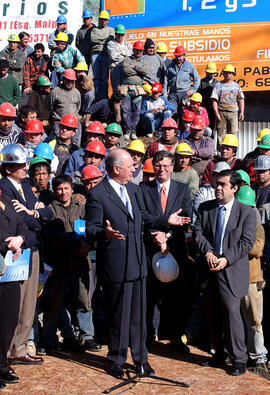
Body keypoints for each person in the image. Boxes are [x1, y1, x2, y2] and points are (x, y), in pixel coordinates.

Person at [85, 148, 190, 378]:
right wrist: (105, 233)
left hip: (139, 264)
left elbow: (144, 218)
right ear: (115, 169)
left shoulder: (134, 189)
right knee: (118, 316)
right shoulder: (98, 194)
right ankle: (117, 359)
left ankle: (141, 360)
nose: (135, 168)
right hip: (115, 265)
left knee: (139, 317)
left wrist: (164, 222)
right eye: (130, 165)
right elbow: (91, 230)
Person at [194, 169, 256, 376]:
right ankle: (219, 352)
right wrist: (209, 252)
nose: (217, 188)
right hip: (209, 269)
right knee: (211, 313)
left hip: (230, 269)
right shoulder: (206, 208)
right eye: (216, 184)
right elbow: (198, 232)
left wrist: (226, 258)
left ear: (235, 188)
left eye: (223, 185)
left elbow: (246, 243)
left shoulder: (246, 212)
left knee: (231, 314)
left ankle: (238, 358)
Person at [0, 144, 52, 366]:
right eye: (21, 165)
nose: (26, 168)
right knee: (15, 303)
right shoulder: (5, 188)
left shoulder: (26, 186)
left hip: (32, 249)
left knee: (29, 302)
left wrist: (35, 213)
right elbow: (24, 220)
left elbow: (47, 213)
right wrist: (35, 215)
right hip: (16, 251)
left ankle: (19, 348)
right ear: (9, 168)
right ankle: (8, 348)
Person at [140, 150, 192, 352]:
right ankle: (147, 336)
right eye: (158, 166)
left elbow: (185, 217)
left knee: (175, 297)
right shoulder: (143, 189)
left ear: (172, 167)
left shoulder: (182, 189)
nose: (162, 169)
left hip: (175, 249)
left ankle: (175, 336)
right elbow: (142, 216)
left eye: (166, 166)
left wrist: (167, 238)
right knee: (148, 295)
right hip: (150, 248)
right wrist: (157, 234)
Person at [235, 186, 268, 370]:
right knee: (235, 320)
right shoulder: (233, 222)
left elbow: (257, 249)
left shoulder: (257, 227)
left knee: (254, 321)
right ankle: (240, 353)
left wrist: (236, 244)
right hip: (234, 277)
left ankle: (258, 357)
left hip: (251, 280)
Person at [0, 189, 28, 388]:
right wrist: (6, 242)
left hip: (11, 271)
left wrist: (20, 238)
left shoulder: (6, 200)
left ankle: (1, 364)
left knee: (8, 320)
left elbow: (22, 225)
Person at [120, 40, 148, 141]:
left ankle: (133, 131)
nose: (138, 52)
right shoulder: (127, 59)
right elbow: (125, 70)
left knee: (136, 111)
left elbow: (145, 71)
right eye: (137, 50)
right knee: (125, 110)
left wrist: (135, 67)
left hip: (138, 90)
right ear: (134, 50)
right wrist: (138, 72)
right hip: (126, 88)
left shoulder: (144, 61)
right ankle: (127, 130)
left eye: (140, 51)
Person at [164, 45, 200, 119]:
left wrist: (192, 91)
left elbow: (197, 79)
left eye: (180, 56)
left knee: (184, 115)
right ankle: (173, 130)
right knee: (172, 114)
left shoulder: (189, 66)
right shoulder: (170, 66)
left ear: (184, 55)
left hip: (185, 94)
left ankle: (183, 130)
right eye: (177, 56)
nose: (178, 58)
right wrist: (165, 94)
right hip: (172, 95)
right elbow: (166, 81)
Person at [211, 64, 244, 140]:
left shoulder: (237, 86)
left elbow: (241, 99)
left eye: (230, 73)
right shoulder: (218, 85)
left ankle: (231, 151)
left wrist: (242, 112)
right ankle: (219, 151)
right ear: (223, 73)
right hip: (221, 113)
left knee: (232, 135)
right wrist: (217, 114)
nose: (228, 74)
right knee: (220, 134)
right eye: (226, 72)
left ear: (233, 74)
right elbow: (214, 100)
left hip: (233, 113)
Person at [49, 69, 81, 146]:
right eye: (67, 80)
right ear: (63, 79)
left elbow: (78, 107)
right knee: (58, 146)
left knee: (75, 146)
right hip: (59, 123)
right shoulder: (55, 92)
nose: (69, 83)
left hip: (74, 124)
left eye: (72, 81)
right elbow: (50, 107)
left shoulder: (77, 92)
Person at [91, 10, 115, 99]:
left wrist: (99, 40)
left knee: (104, 78)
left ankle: (104, 99)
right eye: (102, 19)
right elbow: (93, 39)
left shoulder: (111, 30)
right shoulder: (94, 29)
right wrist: (104, 39)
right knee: (97, 78)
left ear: (107, 20)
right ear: (99, 19)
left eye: (105, 19)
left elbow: (111, 39)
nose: (103, 21)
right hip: (95, 54)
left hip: (105, 54)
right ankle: (97, 98)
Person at [107, 24, 132, 94]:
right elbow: (113, 56)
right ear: (115, 34)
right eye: (118, 34)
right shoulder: (111, 44)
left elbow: (131, 55)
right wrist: (125, 54)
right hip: (115, 69)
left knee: (126, 90)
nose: (120, 36)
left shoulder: (127, 44)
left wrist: (121, 53)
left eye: (122, 34)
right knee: (116, 90)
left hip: (126, 69)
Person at [198, 62, 219, 131]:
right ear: (206, 72)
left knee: (212, 127)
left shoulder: (217, 84)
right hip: (203, 109)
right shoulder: (201, 82)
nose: (211, 74)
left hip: (213, 109)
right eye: (209, 73)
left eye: (212, 73)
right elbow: (197, 95)